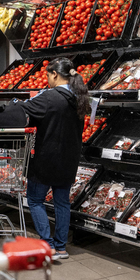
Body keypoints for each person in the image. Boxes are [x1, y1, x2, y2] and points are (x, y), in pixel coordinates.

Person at [16, 57, 90, 260]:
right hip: (69, 159)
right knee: (62, 203)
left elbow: (23, 108)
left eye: (48, 75)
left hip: (46, 158)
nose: (47, 79)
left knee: (35, 199)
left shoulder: (49, 97)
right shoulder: (80, 98)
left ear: (55, 74)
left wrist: (16, 104)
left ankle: (47, 246)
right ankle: (61, 247)